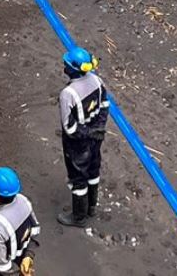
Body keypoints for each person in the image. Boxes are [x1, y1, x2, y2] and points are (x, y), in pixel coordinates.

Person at [55, 46, 111, 227]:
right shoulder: (96, 80)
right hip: (96, 138)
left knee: (78, 178)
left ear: (72, 69)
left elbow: (69, 127)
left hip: (77, 145)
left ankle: (79, 217)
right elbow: (104, 105)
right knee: (94, 169)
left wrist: (86, 133)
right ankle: (91, 206)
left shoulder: (67, 94)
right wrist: (98, 129)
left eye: (67, 64)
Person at [0, 167, 40, 276]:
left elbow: (1, 265)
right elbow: (35, 232)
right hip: (19, 262)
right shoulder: (23, 201)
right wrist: (28, 255)